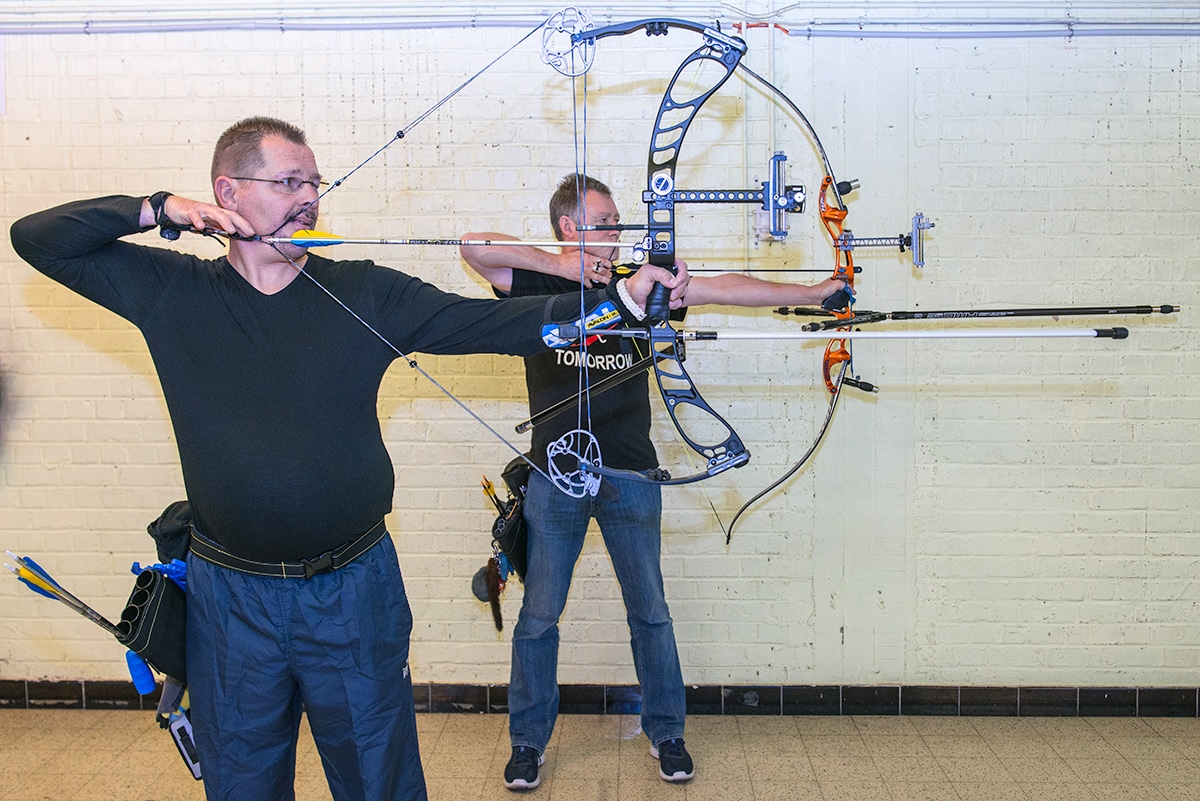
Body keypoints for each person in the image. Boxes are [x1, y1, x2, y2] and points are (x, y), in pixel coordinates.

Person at [9, 121, 686, 801]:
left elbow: (492, 325)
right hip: (230, 599)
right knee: (242, 780)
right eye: (288, 182)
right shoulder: (172, 290)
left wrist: (617, 302)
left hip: (352, 591)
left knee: (376, 778)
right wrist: (158, 208)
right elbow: (35, 237)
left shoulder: (362, 292)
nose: (309, 197)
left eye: (315, 183)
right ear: (226, 192)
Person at [460, 173, 848, 791]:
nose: (618, 229)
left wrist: (813, 290)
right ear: (570, 226)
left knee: (651, 614)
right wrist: (566, 270)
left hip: (631, 474)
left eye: (617, 220)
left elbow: (726, 288)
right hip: (554, 477)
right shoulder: (535, 284)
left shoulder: (639, 287)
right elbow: (475, 245)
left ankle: (666, 733)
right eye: (606, 220)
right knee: (538, 617)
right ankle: (527, 743)